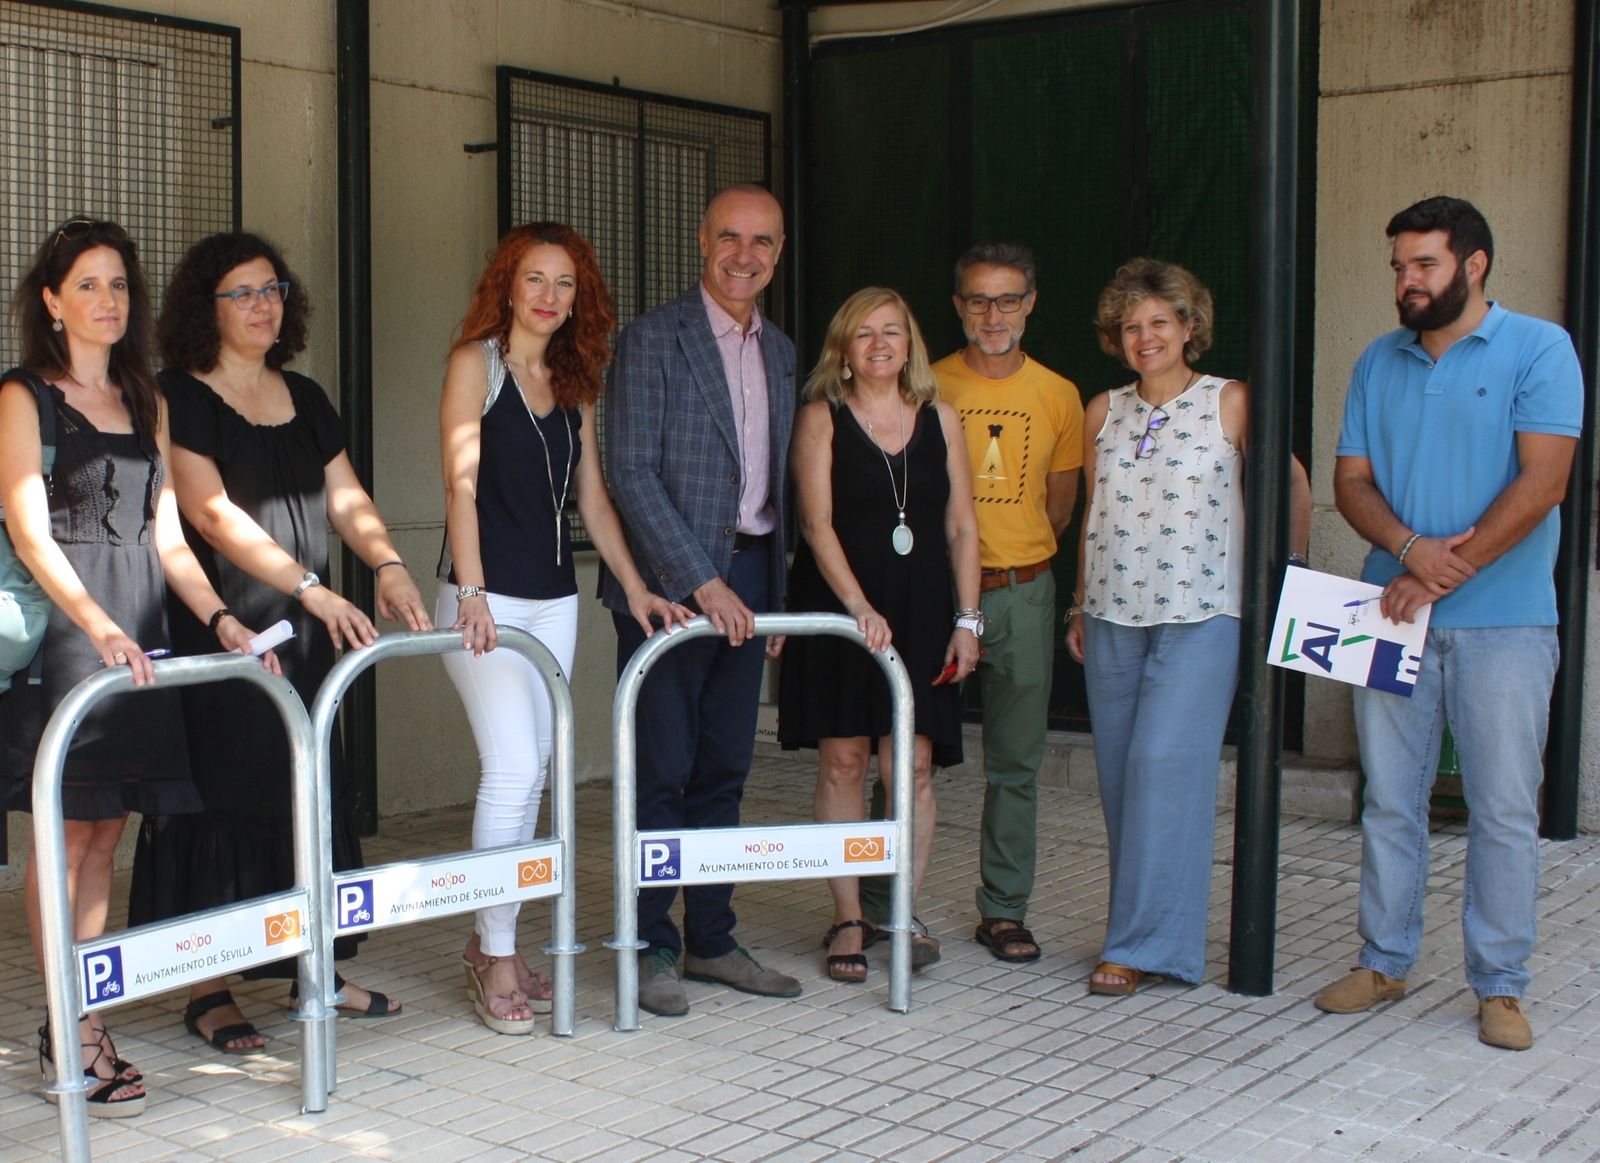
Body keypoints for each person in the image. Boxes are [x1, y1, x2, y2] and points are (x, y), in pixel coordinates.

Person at [128, 232, 427, 1052]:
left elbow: (347, 496)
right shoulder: (176, 394)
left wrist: (389, 564)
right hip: (225, 631)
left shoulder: (307, 393)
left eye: (275, 289)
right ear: (205, 307)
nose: (265, 305)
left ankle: (316, 969)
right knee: (221, 799)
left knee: (308, 795)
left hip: (307, 637)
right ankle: (208, 987)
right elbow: (209, 512)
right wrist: (310, 587)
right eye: (244, 293)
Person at [0, 219, 271, 1115]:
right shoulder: (24, 395)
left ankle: (80, 1017)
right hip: (73, 639)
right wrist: (95, 624)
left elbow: (167, 538)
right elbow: (30, 530)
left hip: (143, 631)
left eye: (118, 285)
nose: (107, 300)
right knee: (63, 834)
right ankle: (69, 1024)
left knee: (106, 836)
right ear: (51, 300)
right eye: (87, 284)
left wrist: (223, 618)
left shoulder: (142, 394)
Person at [1315, 196, 1581, 1051]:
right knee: (1390, 799)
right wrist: (1408, 547)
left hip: (1505, 622)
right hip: (1386, 613)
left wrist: (1434, 577)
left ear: (1474, 264)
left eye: (1424, 264)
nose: (1406, 281)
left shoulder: (1541, 348)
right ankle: (1384, 959)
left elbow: (1543, 484)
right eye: (1398, 265)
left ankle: (1500, 984)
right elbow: (1350, 479)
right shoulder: (1377, 359)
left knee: (1502, 807)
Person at [438, 222, 690, 1034]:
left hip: (552, 599)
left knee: (537, 773)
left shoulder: (574, 378)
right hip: (483, 599)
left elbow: (594, 501)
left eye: (566, 284)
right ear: (507, 284)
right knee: (510, 768)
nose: (549, 297)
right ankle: (498, 952)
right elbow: (460, 482)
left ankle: (495, 943)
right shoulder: (473, 363)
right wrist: (472, 592)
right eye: (535, 280)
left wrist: (635, 586)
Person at [1066, 258, 1311, 995]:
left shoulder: (1229, 401)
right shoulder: (1102, 410)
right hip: (1112, 615)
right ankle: (1152, 936)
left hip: (1203, 611)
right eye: (1132, 325)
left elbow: (1292, 483)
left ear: (1189, 327)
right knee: (1120, 779)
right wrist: (1078, 602)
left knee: (1165, 768)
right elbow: (1092, 513)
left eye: (1160, 323)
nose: (1145, 336)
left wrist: (1288, 575)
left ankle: (1138, 944)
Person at [603, 184, 800, 1017]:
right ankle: (651, 942)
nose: (744, 254)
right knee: (662, 769)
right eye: (730, 237)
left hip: (752, 579)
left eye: (761, 240)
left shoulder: (784, 351)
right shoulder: (652, 339)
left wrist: (771, 591)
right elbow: (629, 472)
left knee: (726, 767)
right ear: (701, 240)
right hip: (668, 590)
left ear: (778, 252)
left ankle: (714, 937)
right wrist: (702, 580)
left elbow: (781, 485)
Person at [863, 242, 1084, 964]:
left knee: (1016, 764)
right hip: (928, 597)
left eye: (1010, 298)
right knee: (903, 755)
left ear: (1032, 303)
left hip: (1022, 590)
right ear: (957, 307)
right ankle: (877, 905)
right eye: (980, 300)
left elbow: (1058, 507)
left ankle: (1004, 909)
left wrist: (1002, 569)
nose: (995, 314)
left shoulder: (1059, 394)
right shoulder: (926, 384)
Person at [778, 288, 981, 982]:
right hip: (842, 607)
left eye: (892, 331)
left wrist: (968, 618)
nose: (879, 344)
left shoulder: (942, 418)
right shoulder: (820, 417)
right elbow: (815, 523)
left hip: (923, 609)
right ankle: (846, 917)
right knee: (844, 761)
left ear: (910, 343)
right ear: (843, 346)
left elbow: (960, 526)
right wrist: (858, 605)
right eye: (863, 333)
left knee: (913, 766)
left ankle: (899, 911)